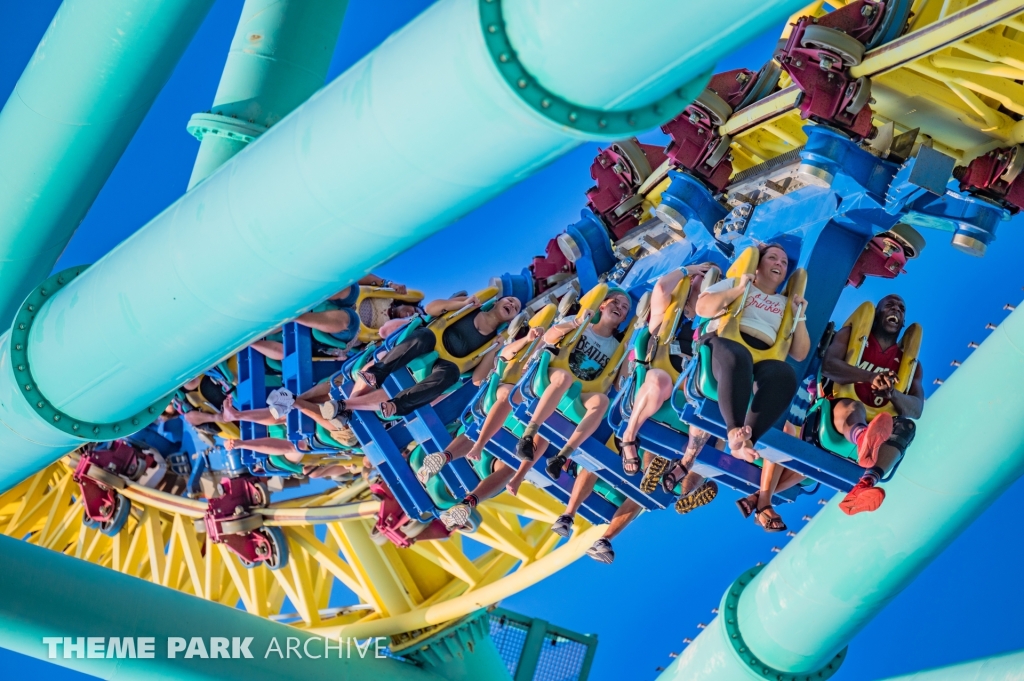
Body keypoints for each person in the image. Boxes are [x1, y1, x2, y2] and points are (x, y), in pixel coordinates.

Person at [694, 243, 810, 531]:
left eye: (784, 262)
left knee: (785, 374)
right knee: (738, 356)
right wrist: (738, 289)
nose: (780, 263)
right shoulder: (739, 281)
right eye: (773, 257)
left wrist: (800, 315)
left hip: (764, 359)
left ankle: (747, 439)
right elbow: (703, 308)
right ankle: (734, 429)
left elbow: (799, 353)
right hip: (725, 346)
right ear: (758, 265)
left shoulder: (786, 303)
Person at [324, 293, 522, 420]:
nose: (512, 304)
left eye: (516, 307)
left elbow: (478, 379)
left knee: (450, 374)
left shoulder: (495, 341)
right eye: (510, 299)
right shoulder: (469, 307)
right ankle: (376, 374)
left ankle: (395, 405)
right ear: (497, 301)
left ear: (513, 319)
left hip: (449, 364)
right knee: (424, 335)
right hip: (428, 341)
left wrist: (495, 349)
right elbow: (430, 309)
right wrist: (461, 302)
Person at [621, 264, 719, 514]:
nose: (709, 281)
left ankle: (686, 488)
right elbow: (662, 287)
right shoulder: (666, 315)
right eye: (706, 276)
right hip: (657, 390)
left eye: (715, 278)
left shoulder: (716, 323)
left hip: (690, 397)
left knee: (710, 409)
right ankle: (629, 438)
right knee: (659, 381)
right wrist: (691, 269)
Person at [820, 294, 924, 515]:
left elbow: (916, 409)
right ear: (877, 313)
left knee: (906, 426)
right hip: (838, 412)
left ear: (903, 321)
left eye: (901, 308)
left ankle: (864, 485)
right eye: (889, 305)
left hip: (880, 421)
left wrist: (892, 393)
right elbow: (828, 366)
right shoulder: (851, 335)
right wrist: (869, 377)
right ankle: (862, 439)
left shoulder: (911, 364)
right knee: (853, 407)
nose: (896, 309)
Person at [251, 274, 421, 361]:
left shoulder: (394, 332)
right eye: (414, 310)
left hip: (345, 332)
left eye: (412, 319)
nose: (410, 315)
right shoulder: (387, 296)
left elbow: (367, 350)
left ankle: (295, 316)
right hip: (340, 301)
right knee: (352, 289)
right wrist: (389, 284)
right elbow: (361, 277)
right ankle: (301, 295)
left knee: (350, 319)